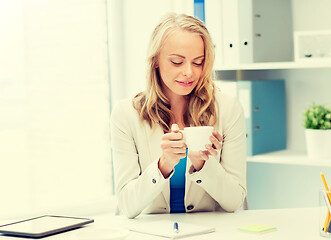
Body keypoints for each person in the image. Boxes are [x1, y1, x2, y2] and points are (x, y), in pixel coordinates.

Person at [110, 13, 246, 219]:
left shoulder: (228, 109)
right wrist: (163, 165)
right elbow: (127, 206)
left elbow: (234, 201)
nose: (189, 72)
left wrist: (203, 165)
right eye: (177, 62)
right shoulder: (126, 114)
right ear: (155, 61)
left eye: (198, 62)